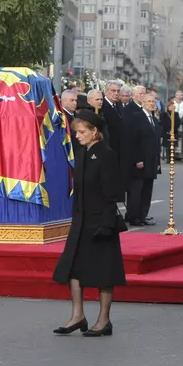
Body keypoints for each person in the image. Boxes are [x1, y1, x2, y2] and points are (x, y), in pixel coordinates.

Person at [52, 110, 126, 337]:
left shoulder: (107, 154)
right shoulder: (83, 153)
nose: (78, 136)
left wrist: (105, 224)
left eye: (82, 132)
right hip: (82, 220)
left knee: (104, 272)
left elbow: (112, 192)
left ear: (95, 132)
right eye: (77, 132)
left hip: (101, 221)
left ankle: (104, 320)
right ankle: (78, 315)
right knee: (73, 267)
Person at [122, 90, 161, 227]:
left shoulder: (155, 120)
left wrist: (158, 161)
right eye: (149, 101)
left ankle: (143, 215)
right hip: (140, 161)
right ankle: (134, 216)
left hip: (151, 161)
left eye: (153, 102)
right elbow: (133, 141)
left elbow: (157, 143)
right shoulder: (136, 118)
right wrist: (138, 159)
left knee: (147, 191)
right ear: (143, 103)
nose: (151, 104)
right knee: (137, 190)